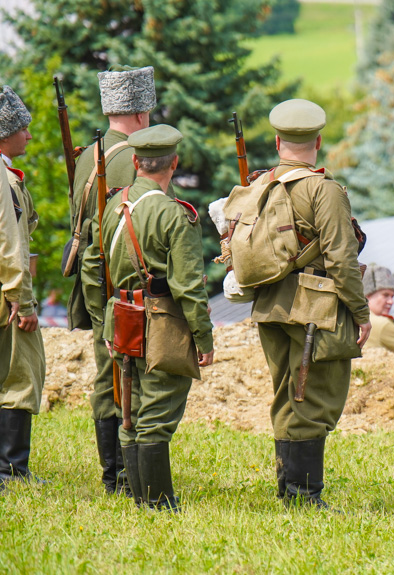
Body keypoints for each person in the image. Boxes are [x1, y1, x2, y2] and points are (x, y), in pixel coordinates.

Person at [81, 124, 213, 511]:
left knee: (130, 409)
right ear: (173, 164)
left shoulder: (113, 207)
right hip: (160, 320)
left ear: (136, 162)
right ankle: (157, 502)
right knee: (158, 407)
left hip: (120, 316)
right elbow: (189, 287)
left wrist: (104, 319)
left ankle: (140, 496)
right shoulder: (176, 215)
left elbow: (93, 266)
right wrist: (203, 339)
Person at [248, 99, 370, 509]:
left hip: (268, 305)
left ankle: (288, 490)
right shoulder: (324, 189)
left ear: (278, 141)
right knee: (312, 396)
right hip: (313, 310)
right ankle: (303, 498)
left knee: (287, 393)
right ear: (318, 142)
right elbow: (341, 257)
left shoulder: (259, 185)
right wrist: (360, 312)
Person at [68, 65, 156, 496]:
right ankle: (121, 475)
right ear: (141, 114)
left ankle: (115, 474)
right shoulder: (129, 160)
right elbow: (134, 229)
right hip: (118, 286)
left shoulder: (92, 152)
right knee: (124, 377)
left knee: (109, 376)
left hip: (93, 283)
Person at [0, 86, 46, 487]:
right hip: (6, 297)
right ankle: (12, 471)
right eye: (22, 128)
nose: (29, 136)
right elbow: (11, 244)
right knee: (20, 377)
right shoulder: (5, 181)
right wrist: (24, 303)